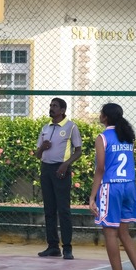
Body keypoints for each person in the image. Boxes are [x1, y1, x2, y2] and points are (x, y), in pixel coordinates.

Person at [89, 103, 136, 270]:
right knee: (124, 233)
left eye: (101, 113)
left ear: (105, 117)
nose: (99, 115)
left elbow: (100, 168)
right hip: (129, 186)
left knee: (110, 233)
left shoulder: (103, 137)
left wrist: (92, 196)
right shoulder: (127, 136)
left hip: (112, 187)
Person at [35, 98, 82, 260]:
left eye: (55, 106)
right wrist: (42, 148)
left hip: (61, 170)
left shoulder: (71, 127)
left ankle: (67, 247)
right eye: (50, 105)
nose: (51, 108)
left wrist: (65, 165)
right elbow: (37, 155)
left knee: (63, 209)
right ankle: (53, 246)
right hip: (46, 169)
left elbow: (78, 151)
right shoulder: (45, 127)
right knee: (49, 209)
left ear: (62, 110)